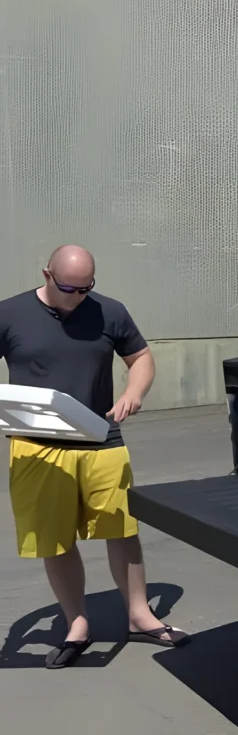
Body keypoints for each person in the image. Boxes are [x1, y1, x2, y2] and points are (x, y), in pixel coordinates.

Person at [0, 244, 190, 668]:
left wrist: (133, 394)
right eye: (69, 287)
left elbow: (140, 356)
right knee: (54, 536)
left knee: (121, 529)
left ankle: (140, 616)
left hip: (101, 439)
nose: (78, 297)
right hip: (36, 448)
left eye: (86, 288)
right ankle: (77, 623)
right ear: (46, 274)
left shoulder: (110, 311)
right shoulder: (9, 313)